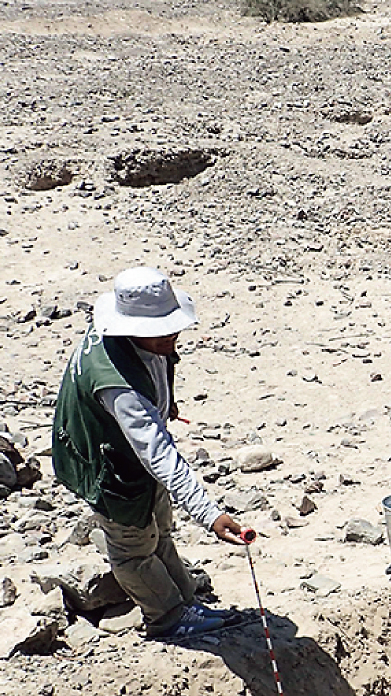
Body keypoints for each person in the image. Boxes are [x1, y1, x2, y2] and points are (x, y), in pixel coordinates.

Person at [51, 268, 247, 640]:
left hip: (130, 444)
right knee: (132, 545)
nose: (171, 336)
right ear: (132, 327)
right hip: (107, 462)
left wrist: (165, 403)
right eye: (161, 330)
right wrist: (210, 515)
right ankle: (167, 618)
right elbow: (158, 454)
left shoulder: (145, 339)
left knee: (159, 528)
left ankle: (185, 600)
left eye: (173, 326)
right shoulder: (120, 386)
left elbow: (159, 369)